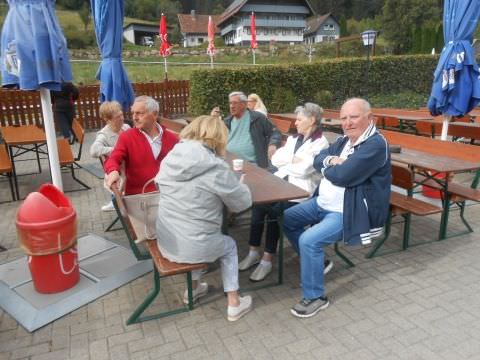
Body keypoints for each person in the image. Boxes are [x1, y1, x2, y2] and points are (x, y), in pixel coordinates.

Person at [283, 98, 391, 318]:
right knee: (287, 217)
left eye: (354, 116)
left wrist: (329, 167)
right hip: (322, 202)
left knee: (309, 240)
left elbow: (343, 176)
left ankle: (315, 297)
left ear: (370, 118)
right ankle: (318, 262)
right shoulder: (344, 141)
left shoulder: (375, 144)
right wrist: (332, 161)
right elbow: (317, 159)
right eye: (344, 118)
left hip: (347, 211)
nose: (348, 122)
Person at [155, 115, 253, 322]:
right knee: (228, 246)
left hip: (167, 241)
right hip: (193, 245)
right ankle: (234, 302)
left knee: (198, 232)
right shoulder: (215, 167)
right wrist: (240, 184)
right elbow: (242, 203)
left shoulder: (171, 157)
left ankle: (193, 288)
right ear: (218, 137)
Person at [239, 103, 330, 282]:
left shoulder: (321, 142)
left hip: (301, 192)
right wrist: (292, 159)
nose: (295, 123)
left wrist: (292, 162)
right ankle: (253, 251)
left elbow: (305, 170)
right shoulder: (293, 139)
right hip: (282, 182)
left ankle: (267, 259)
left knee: (275, 211)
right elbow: (276, 159)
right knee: (259, 205)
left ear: (311, 120)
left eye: (299, 119)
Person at [104, 95, 178, 195]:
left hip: (169, 195)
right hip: (139, 198)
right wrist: (113, 171)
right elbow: (113, 158)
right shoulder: (127, 137)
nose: (134, 117)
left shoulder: (172, 139)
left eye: (139, 113)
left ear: (155, 114)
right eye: (133, 113)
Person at [214, 91, 281, 169]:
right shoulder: (227, 121)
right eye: (230, 103)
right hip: (228, 161)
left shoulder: (257, 118)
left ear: (244, 104)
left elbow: (275, 132)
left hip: (252, 164)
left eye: (235, 103)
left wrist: (273, 144)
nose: (232, 106)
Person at [90, 101, 130, 211]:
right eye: (118, 117)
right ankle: (116, 201)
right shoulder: (104, 134)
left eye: (122, 115)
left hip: (130, 166)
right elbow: (94, 150)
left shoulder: (126, 127)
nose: (122, 118)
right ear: (108, 120)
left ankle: (116, 201)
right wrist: (117, 150)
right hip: (119, 171)